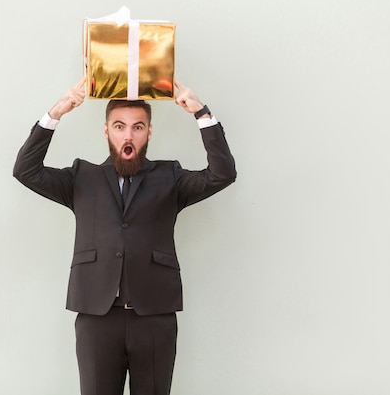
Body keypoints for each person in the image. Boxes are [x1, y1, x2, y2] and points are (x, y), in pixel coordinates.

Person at [13, 77, 236, 395]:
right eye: (119, 126)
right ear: (106, 131)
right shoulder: (81, 177)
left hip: (155, 317)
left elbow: (222, 174)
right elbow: (26, 170)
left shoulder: (169, 177)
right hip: (96, 317)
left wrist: (201, 113)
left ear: (149, 133)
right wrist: (57, 112)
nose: (128, 135)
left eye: (137, 127)